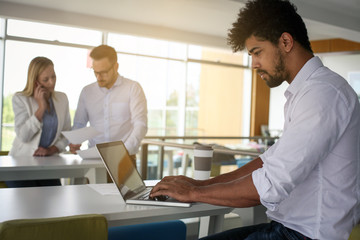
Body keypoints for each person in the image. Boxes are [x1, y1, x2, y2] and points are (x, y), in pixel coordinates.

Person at [150, 0, 360, 239]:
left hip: (306, 235)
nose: (254, 64)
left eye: (257, 52)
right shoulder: (306, 93)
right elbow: (265, 163)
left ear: (286, 42)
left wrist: (193, 194)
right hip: (288, 229)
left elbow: (270, 184)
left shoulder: (323, 94)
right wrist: (199, 185)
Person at [70, 45, 147, 161]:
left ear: (116, 67)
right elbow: (79, 124)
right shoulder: (87, 92)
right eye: (95, 72)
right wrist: (75, 141)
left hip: (124, 158)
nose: (99, 77)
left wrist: (124, 151)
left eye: (103, 72)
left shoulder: (132, 88)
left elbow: (140, 124)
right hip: (93, 158)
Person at [6, 56, 71, 187]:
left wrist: (52, 149)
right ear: (35, 82)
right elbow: (23, 136)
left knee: (55, 202)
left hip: (47, 165)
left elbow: (66, 134)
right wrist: (41, 109)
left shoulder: (62, 98)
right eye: (46, 79)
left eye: (53, 76)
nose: (52, 82)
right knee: (28, 204)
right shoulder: (20, 99)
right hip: (20, 164)